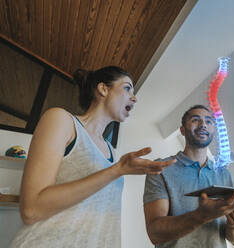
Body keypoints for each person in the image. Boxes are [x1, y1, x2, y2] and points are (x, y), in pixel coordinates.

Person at [10, 66, 175, 248]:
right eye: (127, 88)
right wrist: (117, 170)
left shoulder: (112, 152)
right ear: (103, 89)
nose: (134, 98)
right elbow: (31, 209)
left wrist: (117, 169)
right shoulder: (62, 120)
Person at [143, 105, 234, 247]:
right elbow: (155, 234)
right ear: (182, 130)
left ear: (213, 131)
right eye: (195, 120)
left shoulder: (224, 175)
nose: (203, 125)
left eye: (208, 121)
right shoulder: (161, 168)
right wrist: (201, 215)